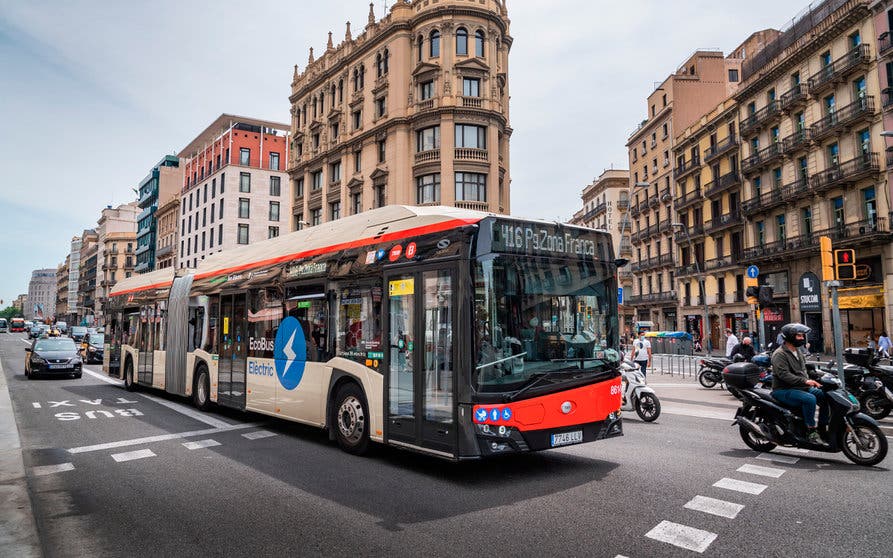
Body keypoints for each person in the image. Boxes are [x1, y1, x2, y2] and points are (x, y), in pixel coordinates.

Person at [771, 323, 829, 445]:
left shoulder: (798, 351)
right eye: (799, 336)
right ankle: (811, 431)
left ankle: (823, 427)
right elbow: (784, 375)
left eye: (802, 336)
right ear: (790, 337)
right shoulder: (779, 354)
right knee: (810, 399)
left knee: (825, 395)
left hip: (799, 387)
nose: (802, 338)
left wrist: (818, 375)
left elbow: (803, 369)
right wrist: (805, 381)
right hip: (783, 389)